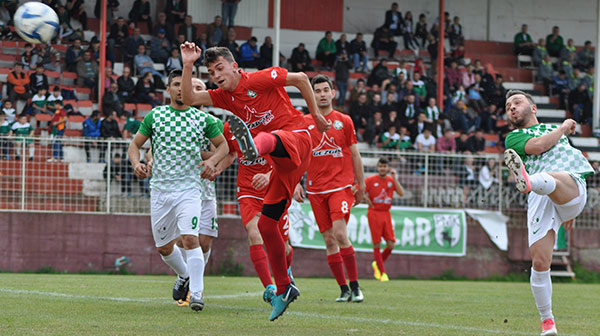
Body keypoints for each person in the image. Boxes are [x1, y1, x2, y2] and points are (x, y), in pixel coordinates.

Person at [180, 44, 330, 321]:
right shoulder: (224, 97)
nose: (215, 75)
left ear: (235, 66)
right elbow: (189, 97)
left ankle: (253, 146)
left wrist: (316, 115)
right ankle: (284, 289)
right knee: (264, 226)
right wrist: (189, 63)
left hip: (297, 137)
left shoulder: (258, 79)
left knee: (269, 139)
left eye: (220, 68)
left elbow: (299, 78)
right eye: (211, 72)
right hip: (282, 167)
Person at [128, 69, 228, 311]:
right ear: (169, 90)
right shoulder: (156, 116)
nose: (180, 89)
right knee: (164, 247)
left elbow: (224, 146)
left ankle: (196, 293)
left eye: (183, 84)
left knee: (191, 239)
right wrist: (137, 163)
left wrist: (212, 163)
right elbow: (136, 144)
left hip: (190, 189)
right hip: (161, 190)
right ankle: (183, 275)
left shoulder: (204, 119)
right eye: (175, 84)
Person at [503, 89, 593, 336]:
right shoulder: (513, 138)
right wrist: (564, 126)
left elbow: (554, 146)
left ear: (533, 108)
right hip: (540, 198)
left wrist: (562, 128)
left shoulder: (552, 129)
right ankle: (547, 323)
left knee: (551, 177)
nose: (511, 107)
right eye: (508, 105)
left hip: (570, 185)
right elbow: (539, 146)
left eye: (517, 102)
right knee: (540, 262)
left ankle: (527, 181)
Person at [292, 75, 365, 303]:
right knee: (329, 240)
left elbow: (355, 154)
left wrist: (361, 184)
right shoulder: (304, 123)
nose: (322, 94)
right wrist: (295, 183)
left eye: (326, 90)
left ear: (333, 93)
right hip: (315, 190)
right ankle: (343, 289)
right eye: (318, 91)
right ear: (311, 94)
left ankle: (356, 286)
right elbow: (297, 156)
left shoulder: (344, 120)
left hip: (340, 187)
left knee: (340, 234)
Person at [364, 158, 404, 282]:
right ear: (377, 168)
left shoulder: (391, 181)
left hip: (386, 214)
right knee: (376, 244)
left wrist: (395, 179)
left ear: (388, 168)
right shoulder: (370, 180)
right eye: (380, 166)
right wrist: (363, 198)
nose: (382, 168)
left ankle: (376, 263)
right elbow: (357, 190)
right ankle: (382, 273)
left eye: (384, 166)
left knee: (391, 244)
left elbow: (401, 193)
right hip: (374, 213)